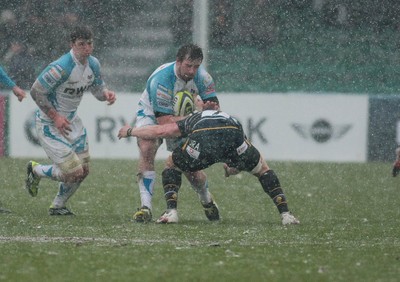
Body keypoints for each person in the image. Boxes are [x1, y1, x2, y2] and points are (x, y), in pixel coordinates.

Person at [118, 110, 300, 225]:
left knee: (172, 163)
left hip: (203, 142)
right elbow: (239, 157)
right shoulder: (230, 117)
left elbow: (161, 131)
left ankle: (171, 212)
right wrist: (231, 169)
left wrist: (130, 131)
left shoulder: (194, 118)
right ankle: (286, 215)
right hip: (233, 134)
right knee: (263, 170)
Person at [25, 25, 116, 215]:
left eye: (90, 44)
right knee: (73, 172)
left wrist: (106, 94)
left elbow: (98, 90)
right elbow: (36, 91)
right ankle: (36, 170)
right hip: (50, 124)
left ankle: (58, 206)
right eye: (81, 44)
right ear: (72, 45)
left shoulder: (94, 64)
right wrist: (55, 116)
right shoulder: (61, 67)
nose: (87, 49)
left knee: (84, 170)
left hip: (72, 122)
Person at [132, 43, 220, 223]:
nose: (193, 70)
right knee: (147, 145)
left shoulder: (203, 78)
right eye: (189, 65)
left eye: (196, 66)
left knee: (190, 167)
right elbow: (164, 123)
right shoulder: (162, 80)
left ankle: (206, 199)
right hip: (152, 113)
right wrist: (197, 116)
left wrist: (208, 110)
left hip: (185, 115)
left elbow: (214, 110)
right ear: (178, 61)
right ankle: (145, 207)